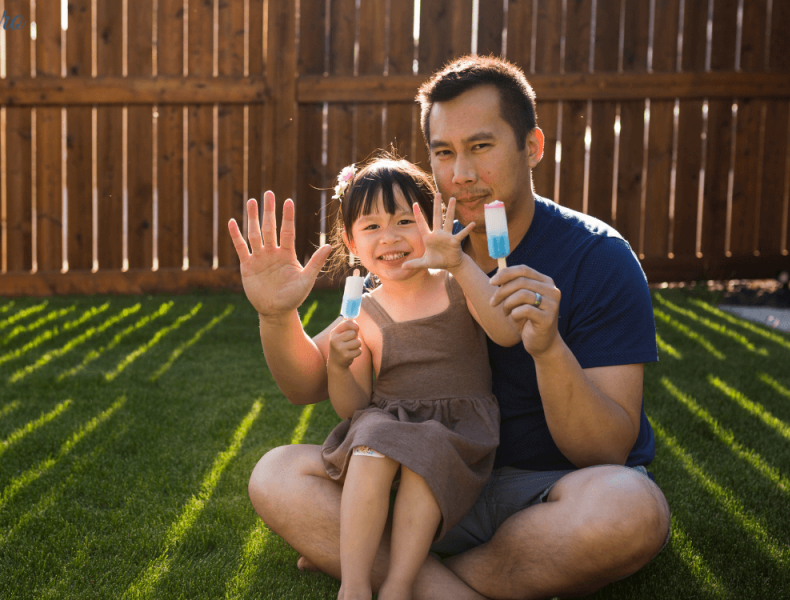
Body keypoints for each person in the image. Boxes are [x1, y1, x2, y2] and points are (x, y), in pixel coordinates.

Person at [227, 54, 671, 599]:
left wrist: (549, 347)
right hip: (421, 474)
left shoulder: (598, 258)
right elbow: (306, 383)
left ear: (531, 146)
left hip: (544, 491)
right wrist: (276, 315)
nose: (461, 174)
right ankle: (431, 578)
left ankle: (386, 572)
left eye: (480, 147)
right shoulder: (416, 249)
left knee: (632, 511)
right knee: (276, 476)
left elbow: (605, 448)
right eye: (444, 153)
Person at [318, 156, 519, 600]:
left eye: (404, 221)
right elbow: (353, 408)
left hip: (457, 428)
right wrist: (337, 365)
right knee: (369, 436)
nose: (389, 238)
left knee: (424, 451)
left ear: (432, 224)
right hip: (390, 421)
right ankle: (352, 586)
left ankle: (398, 586)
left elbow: (506, 332)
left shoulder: (457, 283)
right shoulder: (364, 314)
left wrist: (463, 266)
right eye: (370, 227)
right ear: (350, 242)